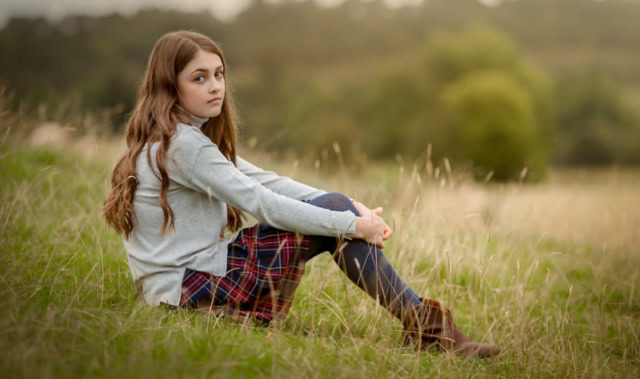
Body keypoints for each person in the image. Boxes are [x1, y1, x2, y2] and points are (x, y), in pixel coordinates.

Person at [103, 30, 500, 358]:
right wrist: (351, 224)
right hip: (190, 287)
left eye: (219, 74)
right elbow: (263, 204)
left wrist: (348, 204)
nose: (216, 87)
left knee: (334, 208)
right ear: (170, 86)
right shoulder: (184, 146)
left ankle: (425, 328)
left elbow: (266, 180)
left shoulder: (179, 137)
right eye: (199, 78)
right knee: (333, 217)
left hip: (180, 283)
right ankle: (429, 331)